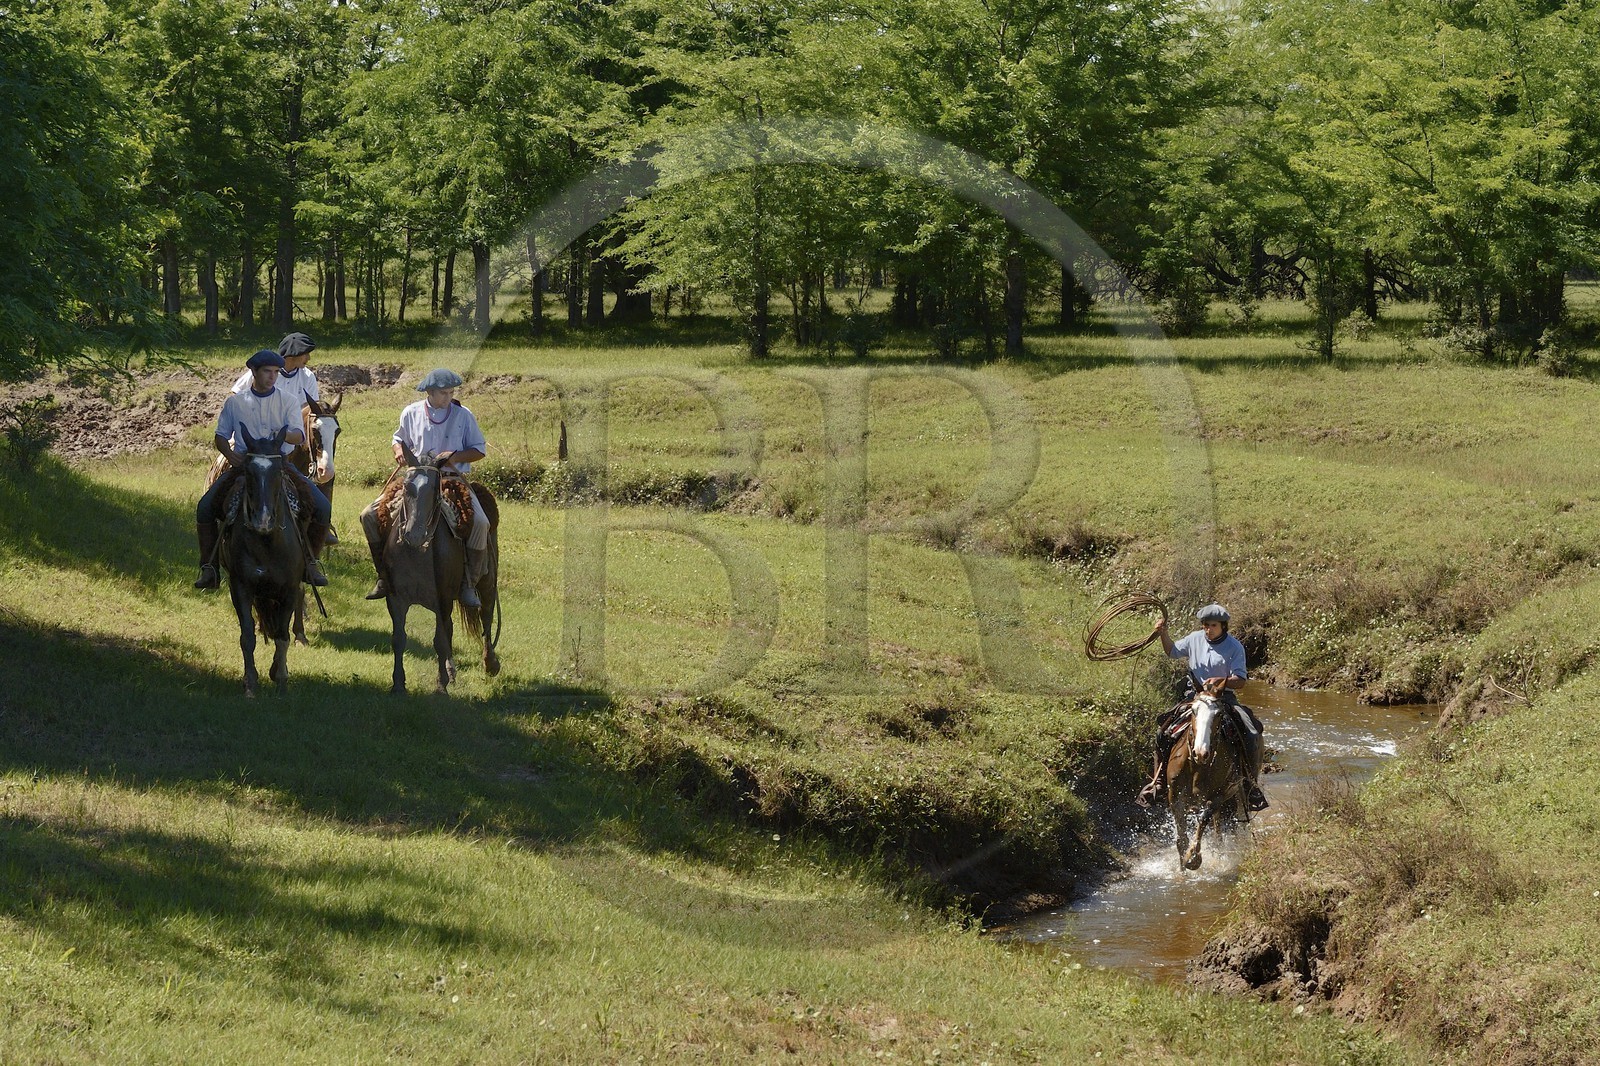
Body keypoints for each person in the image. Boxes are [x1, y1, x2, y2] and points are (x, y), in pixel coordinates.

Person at [195, 350, 331, 589]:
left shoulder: (287, 401)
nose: (272, 377)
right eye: (267, 371)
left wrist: (282, 431)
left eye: (276, 372)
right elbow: (220, 435)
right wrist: (229, 454)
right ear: (254, 372)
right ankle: (209, 567)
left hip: (281, 465)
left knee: (322, 507)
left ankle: (310, 563)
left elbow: (299, 436)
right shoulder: (236, 403)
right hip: (246, 466)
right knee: (205, 508)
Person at [360, 368, 490, 607]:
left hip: (451, 479)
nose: (448, 397)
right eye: (443, 393)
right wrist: (399, 451)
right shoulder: (411, 413)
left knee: (481, 522)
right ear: (429, 392)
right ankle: (383, 576)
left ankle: (469, 583)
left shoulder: (463, 415)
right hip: (416, 479)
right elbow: (398, 439)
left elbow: (479, 450)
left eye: (451, 393)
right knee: (368, 515)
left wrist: (455, 456)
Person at [1137, 603, 1268, 811]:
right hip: (1195, 697)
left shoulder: (1234, 647)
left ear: (1223, 626)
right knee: (1163, 731)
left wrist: (1222, 680)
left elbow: (1240, 680)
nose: (1208, 629)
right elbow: (1172, 651)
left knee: (1251, 732)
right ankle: (1158, 782)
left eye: (1213, 625)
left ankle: (1250, 785)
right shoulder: (1194, 639)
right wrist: (1164, 633)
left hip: (1223, 698)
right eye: (1205, 625)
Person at [231, 331, 339, 543]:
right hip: (255, 442)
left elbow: (311, 410)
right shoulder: (265, 368)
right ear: (294, 354)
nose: (308, 358)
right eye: (306, 354)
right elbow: (235, 395)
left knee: (323, 466)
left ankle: (319, 531)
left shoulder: (307, 377)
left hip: (291, 438)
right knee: (228, 473)